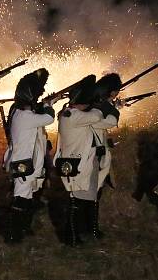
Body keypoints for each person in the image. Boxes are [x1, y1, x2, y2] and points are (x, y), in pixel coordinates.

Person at [2, 68, 56, 243]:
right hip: (24, 163)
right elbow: (48, 118)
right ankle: (13, 235)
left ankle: (22, 229)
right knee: (21, 199)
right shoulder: (25, 115)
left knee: (26, 198)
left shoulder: (22, 112)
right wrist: (48, 105)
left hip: (28, 163)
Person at [54, 75, 104, 246]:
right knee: (75, 201)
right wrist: (97, 105)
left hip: (77, 161)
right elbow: (97, 115)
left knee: (79, 200)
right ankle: (72, 238)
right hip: (74, 163)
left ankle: (76, 235)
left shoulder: (71, 114)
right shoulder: (73, 115)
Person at [87, 73, 122, 239]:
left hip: (95, 153)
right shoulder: (96, 109)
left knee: (94, 192)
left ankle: (89, 228)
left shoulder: (94, 107)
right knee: (93, 192)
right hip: (93, 156)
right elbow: (111, 121)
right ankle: (91, 229)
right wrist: (112, 106)